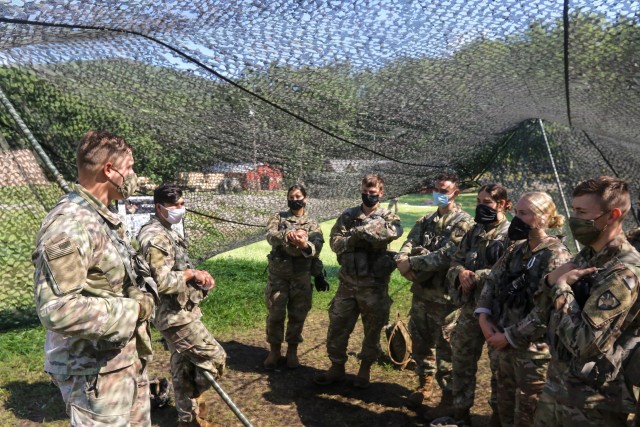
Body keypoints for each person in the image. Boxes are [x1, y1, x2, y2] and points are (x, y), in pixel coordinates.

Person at [32, 130, 155, 426]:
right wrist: (132, 309)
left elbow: (107, 280)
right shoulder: (71, 224)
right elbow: (57, 310)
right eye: (130, 168)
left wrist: (135, 292)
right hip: (92, 374)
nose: (134, 176)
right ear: (109, 171)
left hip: (121, 362)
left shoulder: (100, 216)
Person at [534, 176, 640, 427]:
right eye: (573, 211)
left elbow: (584, 343)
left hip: (593, 402)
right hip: (559, 385)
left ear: (612, 215)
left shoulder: (624, 272)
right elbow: (541, 310)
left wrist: (560, 288)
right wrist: (550, 282)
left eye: (582, 212)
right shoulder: (587, 257)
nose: (574, 220)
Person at [475, 192, 572, 427]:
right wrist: (483, 315)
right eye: (516, 213)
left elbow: (546, 309)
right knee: (503, 405)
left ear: (543, 218)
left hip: (533, 353)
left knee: (527, 413)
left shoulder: (555, 255)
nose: (516, 219)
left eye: (524, 214)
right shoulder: (516, 249)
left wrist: (508, 336)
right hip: (504, 344)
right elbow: (492, 280)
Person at [137, 184, 226, 427]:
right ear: (159, 207)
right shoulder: (155, 237)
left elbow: (179, 269)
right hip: (173, 317)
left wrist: (199, 279)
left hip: (183, 311)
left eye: (182, 204)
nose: (180, 209)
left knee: (183, 367)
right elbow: (161, 282)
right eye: (175, 205)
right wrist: (190, 274)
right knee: (215, 357)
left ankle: (189, 418)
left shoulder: (168, 230)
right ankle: (194, 401)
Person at [314, 174, 402, 388]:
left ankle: (365, 369)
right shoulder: (349, 215)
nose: (368, 195)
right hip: (347, 284)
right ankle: (336, 367)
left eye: (373, 192)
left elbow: (393, 233)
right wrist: (354, 238)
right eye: (365, 191)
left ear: (381, 193)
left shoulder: (388, 216)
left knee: (372, 330)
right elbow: (335, 242)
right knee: (337, 326)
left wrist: (364, 232)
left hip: (374, 286)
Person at [395, 172, 474, 409]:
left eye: (445, 190)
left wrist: (413, 263)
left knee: (446, 351)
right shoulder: (425, 221)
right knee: (420, 345)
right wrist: (401, 261)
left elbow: (446, 256)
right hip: (421, 295)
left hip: (447, 299)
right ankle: (424, 385)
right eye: (437, 190)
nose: (440, 194)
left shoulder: (464, 223)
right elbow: (408, 244)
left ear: (455, 193)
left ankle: (447, 399)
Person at [444, 183, 512, 425]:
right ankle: (460, 413)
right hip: (470, 309)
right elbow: (455, 260)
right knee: (461, 361)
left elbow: (510, 272)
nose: (481, 207)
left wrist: (477, 275)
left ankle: (497, 417)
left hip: (498, 315)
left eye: (487, 203)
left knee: (499, 371)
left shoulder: (513, 234)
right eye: (479, 202)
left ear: (502, 204)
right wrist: (461, 272)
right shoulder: (475, 231)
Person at [263, 184, 326, 370]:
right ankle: (274, 351)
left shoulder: (312, 224)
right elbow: (270, 235)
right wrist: (288, 236)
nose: (295, 199)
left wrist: (304, 244)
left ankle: (292, 351)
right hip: (278, 276)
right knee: (275, 313)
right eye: (291, 196)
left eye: (298, 196)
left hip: (302, 276)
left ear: (305, 199)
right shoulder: (278, 217)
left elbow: (318, 246)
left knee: (298, 315)